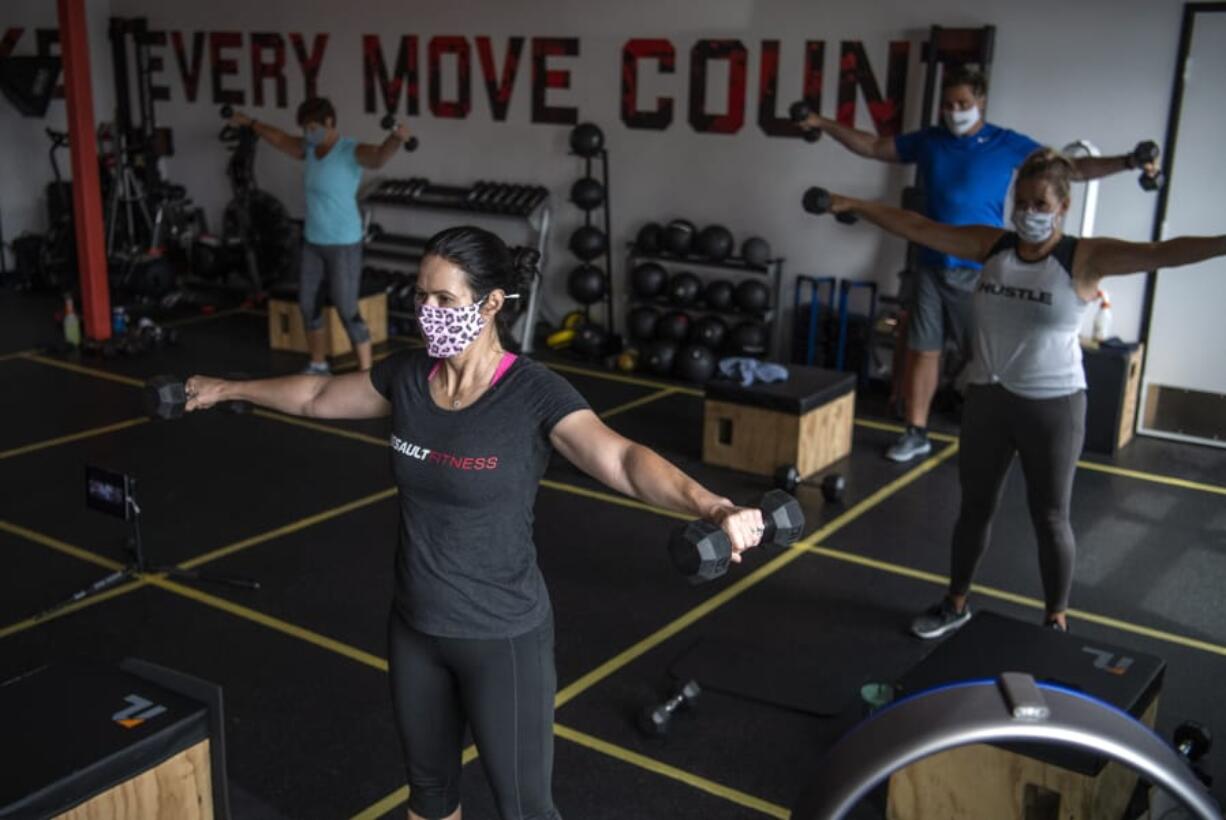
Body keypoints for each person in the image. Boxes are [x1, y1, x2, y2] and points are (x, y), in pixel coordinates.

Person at [183, 226, 772, 820]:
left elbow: (621, 459)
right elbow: (315, 397)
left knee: (525, 809)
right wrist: (228, 387)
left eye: (445, 300)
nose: (427, 312)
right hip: (415, 628)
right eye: (420, 296)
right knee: (430, 798)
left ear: (491, 304)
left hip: (501, 638)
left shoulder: (534, 393)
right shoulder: (410, 377)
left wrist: (711, 504)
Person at [816, 149, 1224, 637]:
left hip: (1055, 405)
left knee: (1050, 517)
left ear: (1062, 207)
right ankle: (955, 602)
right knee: (974, 508)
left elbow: (1161, 253)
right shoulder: (993, 246)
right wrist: (853, 203)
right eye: (1022, 202)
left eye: (1039, 204)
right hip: (988, 398)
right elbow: (918, 227)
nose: (1029, 213)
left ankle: (1055, 619)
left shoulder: (1084, 257)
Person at [797, 67, 1160, 462]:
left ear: (981, 102)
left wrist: (1128, 161)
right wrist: (820, 123)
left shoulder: (1006, 144)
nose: (955, 112)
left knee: (990, 357)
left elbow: (1069, 170)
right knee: (923, 350)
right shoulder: (930, 140)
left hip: (983, 266)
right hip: (932, 263)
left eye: (964, 104)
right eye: (949, 105)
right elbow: (872, 146)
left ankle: (1006, 434)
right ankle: (916, 431)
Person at [228, 97, 413, 373]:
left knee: (346, 308)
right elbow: (279, 138)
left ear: (329, 122)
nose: (307, 133)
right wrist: (250, 122)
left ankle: (366, 374)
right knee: (307, 305)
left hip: (344, 243)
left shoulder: (350, 150)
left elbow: (378, 156)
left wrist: (396, 138)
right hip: (314, 242)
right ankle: (317, 363)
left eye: (312, 126)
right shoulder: (309, 149)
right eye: (304, 128)